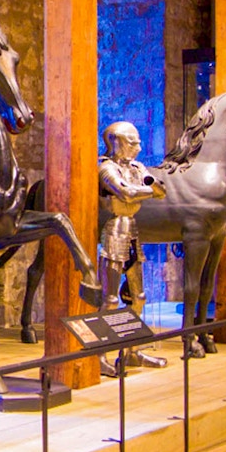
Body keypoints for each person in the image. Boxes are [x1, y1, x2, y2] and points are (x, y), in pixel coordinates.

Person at [98, 121, 166, 376]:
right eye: (131, 141)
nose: (137, 147)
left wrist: (144, 189)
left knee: (139, 298)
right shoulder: (106, 167)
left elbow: (161, 190)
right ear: (115, 141)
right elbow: (125, 193)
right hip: (115, 231)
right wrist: (148, 190)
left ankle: (131, 350)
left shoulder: (136, 167)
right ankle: (100, 355)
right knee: (111, 299)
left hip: (133, 231)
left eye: (138, 141)